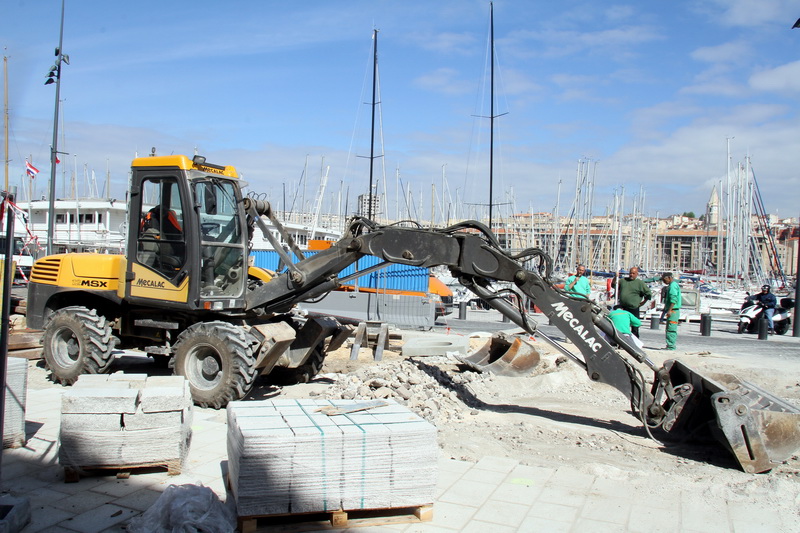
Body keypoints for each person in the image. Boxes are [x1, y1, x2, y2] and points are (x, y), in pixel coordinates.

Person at [613, 267, 652, 337]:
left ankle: (635, 341)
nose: (631, 275)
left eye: (633, 273)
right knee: (622, 325)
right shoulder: (623, 281)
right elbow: (614, 285)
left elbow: (648, 293)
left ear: (637, 274)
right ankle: (621, 340)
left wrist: (643, 302)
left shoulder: (640, 283)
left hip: (633, 308)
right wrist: (615, 277)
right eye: (630, 273)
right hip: (623, 308)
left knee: (635, 327)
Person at [661, 272, 682, 350]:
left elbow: (673, 299)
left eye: (664, 279)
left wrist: (669, 310)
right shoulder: (672, 285)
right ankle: (669, 345)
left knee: (671, 328)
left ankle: (671, 346)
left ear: (669, 278)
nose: (663, 281)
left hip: (673, 310)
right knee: (669, 328)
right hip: (673, 310)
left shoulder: (673, 286)